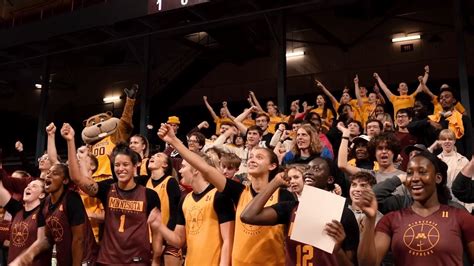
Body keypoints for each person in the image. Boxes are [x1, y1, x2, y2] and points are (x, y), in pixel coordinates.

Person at [158, 122, 296, 266]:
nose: (252, 159)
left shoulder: (284, 196)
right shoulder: (239, 192)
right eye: (251, 157)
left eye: (259, 157)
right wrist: (174, 141)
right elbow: (205, 168)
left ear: (272, 166)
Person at [61, 123, 162, 265]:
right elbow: (77, 178)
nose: (120, 169)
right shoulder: (107, 189)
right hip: (107, 261)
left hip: (137, 261)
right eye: (117, 165)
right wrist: (70, 141)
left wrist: (156, 260)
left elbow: (157, 231)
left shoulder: (150, 195)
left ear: (135, 166)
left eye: (125, 165)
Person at [356, 151, 474, 266]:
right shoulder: (391, 220)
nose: (415, 178)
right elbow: (367, 264)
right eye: (409, 173)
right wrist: (370, 220)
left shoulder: (460, 216)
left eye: (422, 172)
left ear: (438, 178)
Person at [240, 157, 359, 266]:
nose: (308, 172)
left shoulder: (344, 214)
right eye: (307, 168)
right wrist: (275, 182)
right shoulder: (290, 208)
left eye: (316, 169)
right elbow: (248, 216)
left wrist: (337, 251)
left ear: (330, 179)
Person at [150, 151, 235, 266]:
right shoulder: (185, 199)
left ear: (195, 170)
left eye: (183, 167)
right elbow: (179, 241)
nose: (180, 171)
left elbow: (228, 240)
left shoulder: (219, 196)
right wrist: (159, 226)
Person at [12, 163, 98, 266]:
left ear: (65, 180)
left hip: (85, 260)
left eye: (55, 173)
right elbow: (47, 239)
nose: (49, 175)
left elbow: (79, 240)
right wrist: (29, 254)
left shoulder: (71, 199)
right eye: (48, 173)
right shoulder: (45, 204)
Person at [0, 176, 51, 265]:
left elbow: (43, 241)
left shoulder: (44, 213)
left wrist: (21, 260)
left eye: (34, 186)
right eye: (28, 185)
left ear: (42, 195)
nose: (28, 187)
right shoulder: (17, 210)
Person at [143, 152, 182, 266]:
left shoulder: (171, 182)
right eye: (153, 156)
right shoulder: (145, 181)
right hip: (146, 236)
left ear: (165, 165)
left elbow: (175, 214)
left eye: (158, 156)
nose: (153, 156)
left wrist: (165, 238)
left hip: (164, 237)